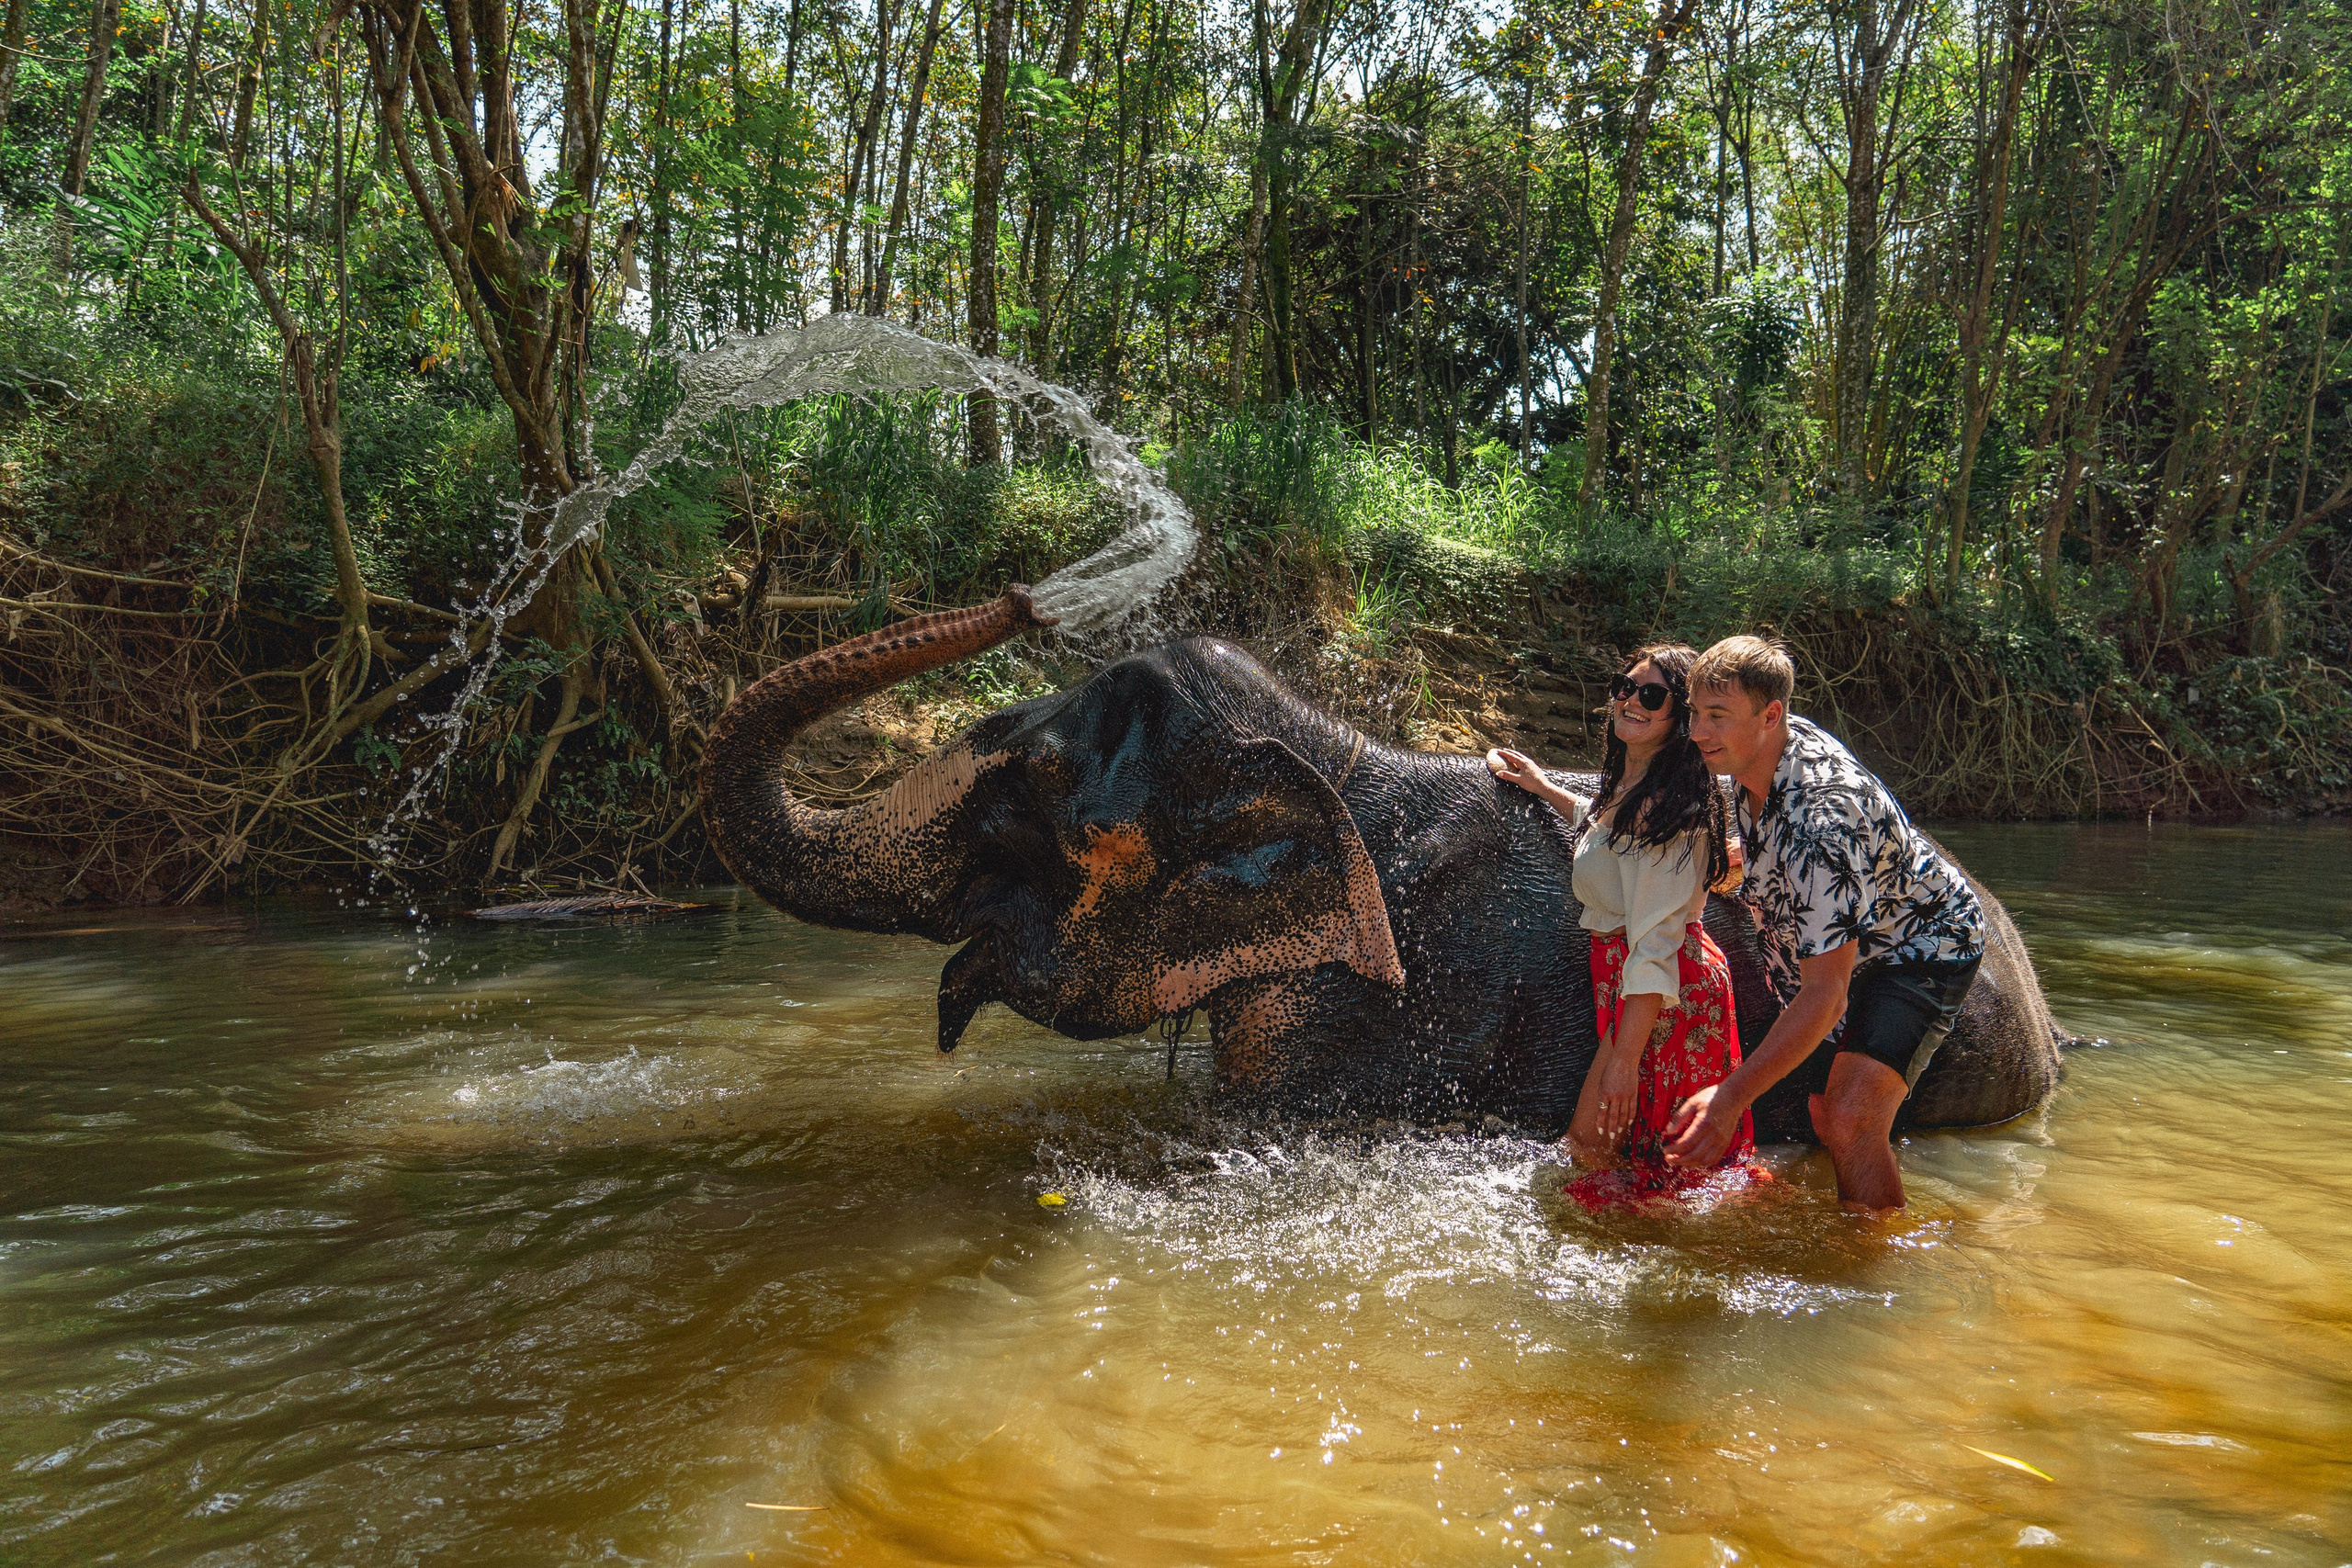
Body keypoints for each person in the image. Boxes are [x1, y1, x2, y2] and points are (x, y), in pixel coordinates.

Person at [1665, 636, 1985, 1214]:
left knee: (1849, 1117)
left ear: (1770, 716)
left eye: (1716, 717)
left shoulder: (1822, 824)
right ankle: (1851, 1224)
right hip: (1845, 934)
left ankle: (1879, 1276)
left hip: (1919, 942)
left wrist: (1728, 1101)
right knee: (1820, 1111)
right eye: (1694, 713)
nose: (1696, 732)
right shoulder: (1760, 747)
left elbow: (1826, 993)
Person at [1487, 644, 1759, 1204]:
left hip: (1663, 991)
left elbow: (1654, 946)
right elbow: (1608, 841)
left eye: (1652, 696)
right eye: (1625, 687)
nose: (1631, 701)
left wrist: (1623, 1060)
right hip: (1641, 981)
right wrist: (1545, 788)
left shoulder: (1670, 813)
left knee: (1601, 1149)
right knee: (1655, 1163)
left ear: (1679, 718)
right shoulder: (1632, 790)